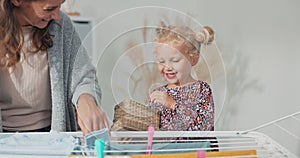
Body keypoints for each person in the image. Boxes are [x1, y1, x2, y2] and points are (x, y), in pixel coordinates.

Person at [0, 0, 109, 135]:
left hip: (53, 134)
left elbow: (83, 76)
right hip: (4, 137)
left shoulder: (61, 25)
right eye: (49, 9)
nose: (57, 16)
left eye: (60, 6)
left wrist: (86, 98)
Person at [148, 21, 215, 131]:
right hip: (167, 149)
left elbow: (204, 126)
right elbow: (150, 128)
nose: (167, 67)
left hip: (197, 148)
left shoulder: (201, 90)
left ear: (193, 59)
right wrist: (132, 134)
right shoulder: (158, 93)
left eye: (175, 60)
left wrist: (173, 104)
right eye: (161, 61)